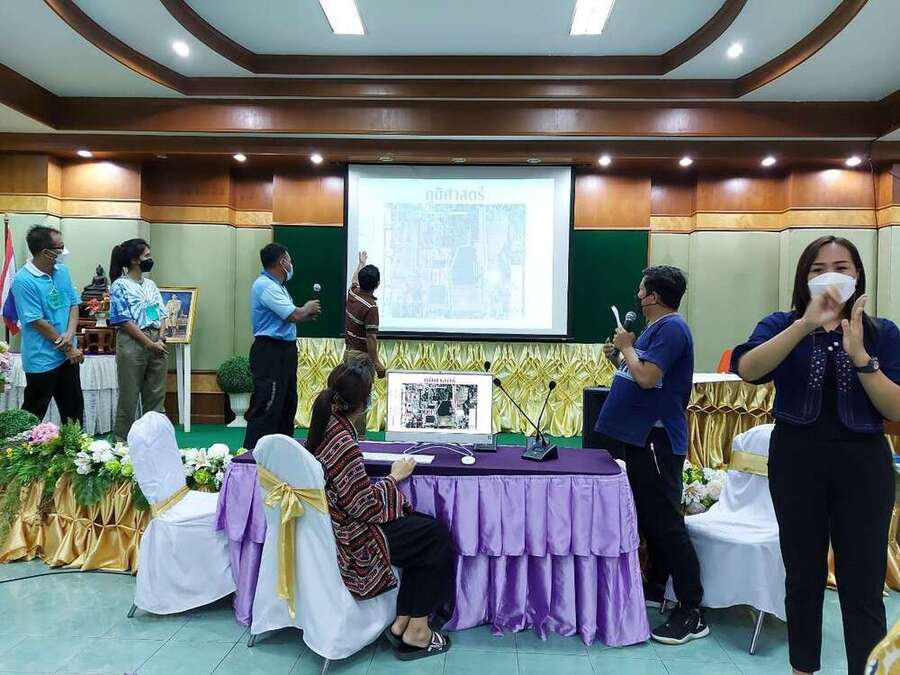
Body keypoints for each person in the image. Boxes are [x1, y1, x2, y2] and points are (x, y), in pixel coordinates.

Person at [731, 236, 900, 675]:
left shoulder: (882, 333)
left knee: (863, 585)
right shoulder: (781, 323)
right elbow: (748, 369)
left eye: (841, 268)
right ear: (803, 279)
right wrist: (805, 324)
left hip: (864, 464)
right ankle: (802, 668)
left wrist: (861, 357)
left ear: (858, 275)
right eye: (818, 269)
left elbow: (895, 408)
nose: (831, 276)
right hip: (797, 459)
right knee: (802, 576)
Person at [305, 360, 453, 661]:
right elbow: (363, 506)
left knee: (424, 529)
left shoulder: (325, 423)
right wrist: (394, 477)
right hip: (353, 536)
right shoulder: (343, 442)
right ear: (361, 403)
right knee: (435, 536)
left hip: (339, 523)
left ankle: (402, 621)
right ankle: (418, 630)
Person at [594, 265, 707, 645]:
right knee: (651, 517)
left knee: (666, 523)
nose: (638, 296)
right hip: (642, 436)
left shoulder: (672, 328)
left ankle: (692, 610)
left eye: (642, 291)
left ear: (654, 296)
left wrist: (627, 346)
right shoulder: (656, 329)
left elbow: (648, 378)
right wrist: (619, 357)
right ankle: (657, 587)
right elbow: (638, 373)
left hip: (658, 439)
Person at [243, 244, 321, 450]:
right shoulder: (265, 286)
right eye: (289, 260)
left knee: (287, 402)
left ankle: (281, 451)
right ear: (282, 262)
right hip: (270, 351)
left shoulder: (279, 287)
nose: (291, 264)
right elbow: (294, 314)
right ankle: (252, 453)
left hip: (285, 350)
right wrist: (306, 309)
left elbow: (289, 317)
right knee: (267, 402)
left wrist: (303, 314)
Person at [10, 225, 84, 424]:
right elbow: (36, 321)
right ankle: (22, 444)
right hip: (42, 358)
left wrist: (70, 334)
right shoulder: (23, 280)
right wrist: (67, 347)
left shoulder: (62, 271)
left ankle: (74, 444)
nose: (63, 251)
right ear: (45, 252)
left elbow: (73, 303)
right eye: (60, 247)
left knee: (74, 411)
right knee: (34, 413)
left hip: (68, 355)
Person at [108, 238, 168, 442]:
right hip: (133, 342)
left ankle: (154, 441)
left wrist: (160, 338)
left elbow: (160, 313)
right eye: (146, 256)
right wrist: (149, 343)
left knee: (156, 395)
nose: (150, 259)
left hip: (156, 340)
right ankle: (121, 442)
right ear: (134, 260)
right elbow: (123, 320)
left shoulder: (150, 284)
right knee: (129, 395)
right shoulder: (120, 285)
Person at [343, 251, 386, 438]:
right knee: (360, 397)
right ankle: (358, 438)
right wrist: (377, 363)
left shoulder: (352, 293)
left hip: (349, 353)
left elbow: (354, 278)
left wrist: (360, 263)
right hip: (361, 357)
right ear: (377, 284)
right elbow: (371, 338)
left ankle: (346, 433)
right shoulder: (371, 307)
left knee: (348, 394)